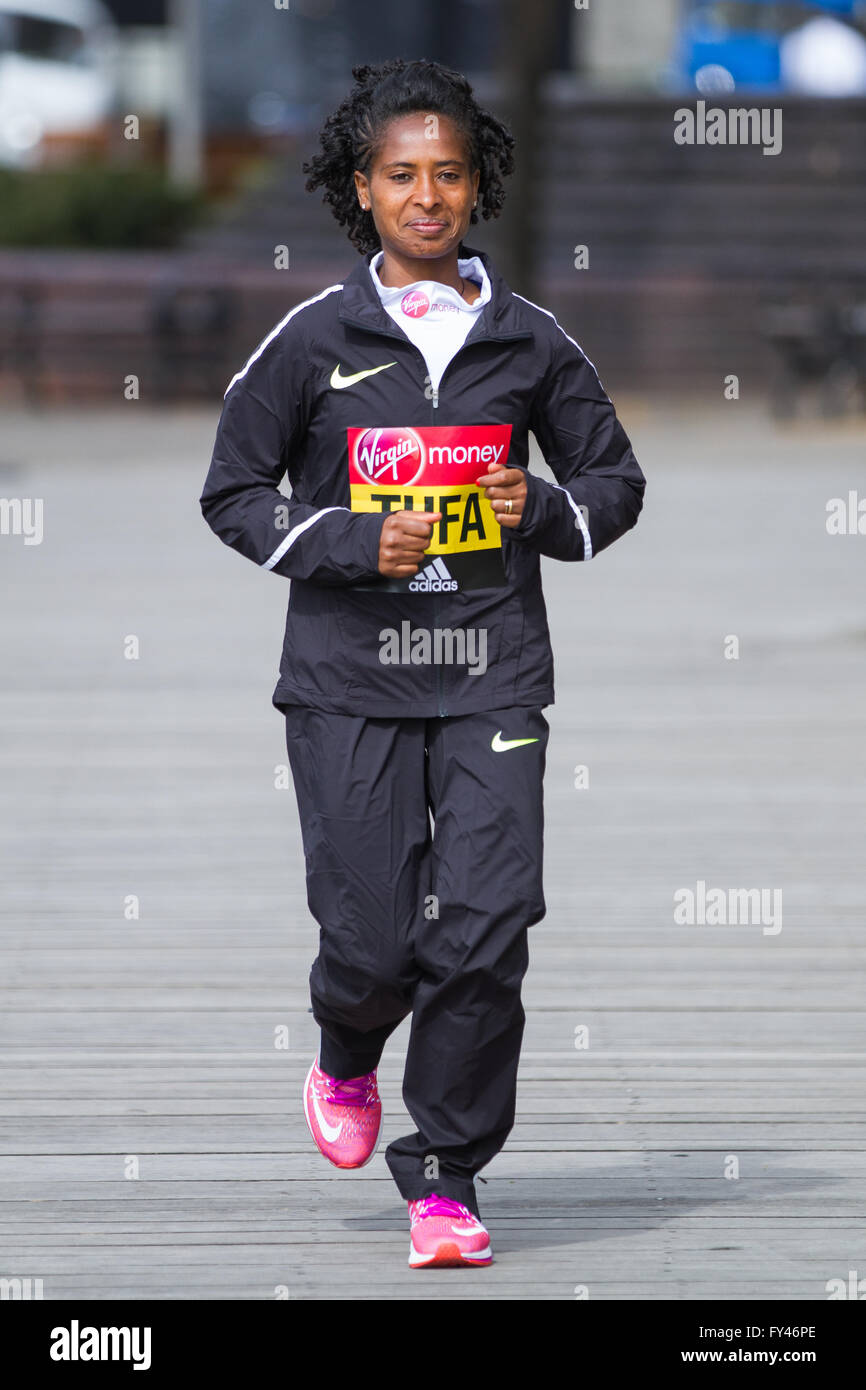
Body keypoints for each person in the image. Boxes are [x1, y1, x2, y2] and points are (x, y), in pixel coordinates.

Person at [200, 57, 646, 1269]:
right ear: (363, 190)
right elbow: (231, 491)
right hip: (349, 680)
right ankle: (347, 1046)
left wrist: (538, 508)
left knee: (489, 925)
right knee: (374, 942)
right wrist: (352, 538)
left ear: (474, 187)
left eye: (447, 173)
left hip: (492, 674)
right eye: (401, 175)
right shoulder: (312, 338)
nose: (427, 195)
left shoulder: (529, 341)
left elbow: (614, 486)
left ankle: (446, 1175)